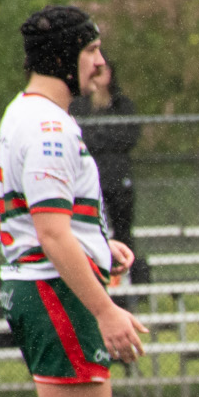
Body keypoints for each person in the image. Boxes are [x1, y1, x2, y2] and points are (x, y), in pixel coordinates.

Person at [0, 5, 147, 397]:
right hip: (52, 288)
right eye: (91, 50)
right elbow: (51, 232)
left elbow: (59, 220)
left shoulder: (36, 116)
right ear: (66, 54)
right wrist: (107, 310)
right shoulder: (50, 125)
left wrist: (98, 243)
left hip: (48, 283)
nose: (100, 62)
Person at [76, 54, 146, 286]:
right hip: (92, 179)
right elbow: (83, 138)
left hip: (118, 178)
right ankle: (95, 281)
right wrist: (105, 136)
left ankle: (130, 286)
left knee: (123, 231)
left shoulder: (122, 105)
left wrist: (101, 136)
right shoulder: (80, 106)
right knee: (90, 230)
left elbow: (128, 137)